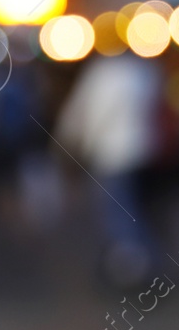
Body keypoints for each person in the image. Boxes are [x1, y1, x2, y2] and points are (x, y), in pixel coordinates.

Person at [55, 52, 162, 287]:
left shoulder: (102, 73)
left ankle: (130, 270)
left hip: (111, 155)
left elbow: (87, 113)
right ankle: (143, 263)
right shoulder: (145, 71)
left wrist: (79, 143)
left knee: (117, 214)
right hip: (146, 151)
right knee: (137, 210)